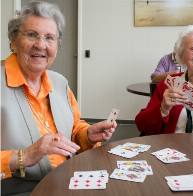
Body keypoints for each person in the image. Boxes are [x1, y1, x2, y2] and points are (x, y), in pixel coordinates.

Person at [1, 2, 116, 195]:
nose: (41, 45)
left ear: (57, 46)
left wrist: (87, 136)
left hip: (67, 181)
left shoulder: (59, 82)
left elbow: (74, 127)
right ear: (13, 41)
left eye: (49, 38)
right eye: (31, 35)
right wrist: (24, 156)